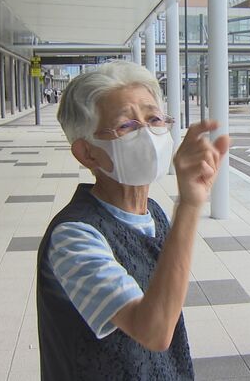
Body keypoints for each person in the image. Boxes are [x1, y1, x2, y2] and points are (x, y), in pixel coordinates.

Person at [37, 60, 229, 380]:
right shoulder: (73, 237)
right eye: (127, 126)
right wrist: (189, 205)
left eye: (154, 119)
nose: (149, 133)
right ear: (87, 153)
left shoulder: (152, 212)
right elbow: (153, 330)